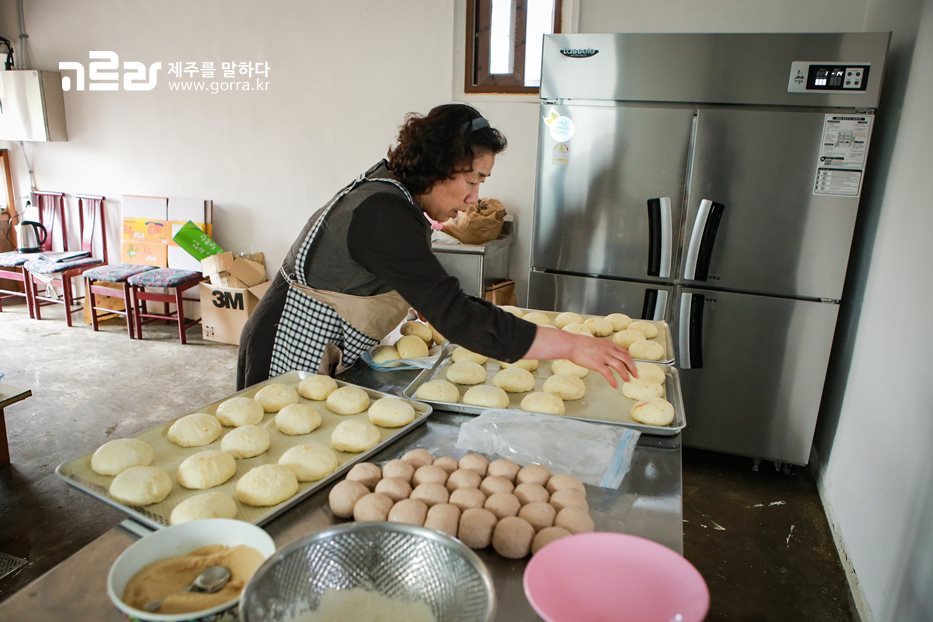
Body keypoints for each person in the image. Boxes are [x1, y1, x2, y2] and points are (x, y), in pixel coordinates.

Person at [236, 103, 636, 390]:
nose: (474, 198)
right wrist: (570, 345)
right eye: (472, 180)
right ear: (438, 166)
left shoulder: (398, 197)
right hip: (288, 342)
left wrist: (423, 295)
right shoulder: (383, 212)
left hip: (326, 344)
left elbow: (417, 282)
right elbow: (456, 316)